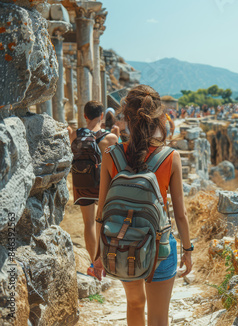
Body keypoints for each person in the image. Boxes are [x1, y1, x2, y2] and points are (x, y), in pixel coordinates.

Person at [93, 85, 192, 325]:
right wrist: (187, 252)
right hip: (159, 245)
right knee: (158, 319)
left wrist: (98, 254)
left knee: (135, 304)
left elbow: (101, 212)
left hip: (122, 244)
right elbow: (180, 215)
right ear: (159, 118)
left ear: (126, 117)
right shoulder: (171, 157)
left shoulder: (110, 154)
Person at [67, 101, 118, 275]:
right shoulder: (110, 138)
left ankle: (93, 264)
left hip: (83, 183)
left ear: (85, 116)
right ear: (102, 116)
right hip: (104, 185)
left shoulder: (75, 135)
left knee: (88, 224)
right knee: (105, 223)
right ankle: (106, 263)